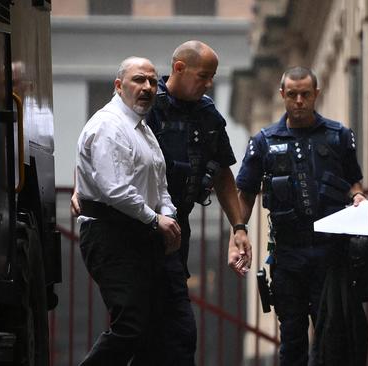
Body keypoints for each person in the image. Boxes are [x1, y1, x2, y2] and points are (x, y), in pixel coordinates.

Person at [71, 41, 252, 365]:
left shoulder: (202, 114)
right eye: (203, 75)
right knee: (136, 326)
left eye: (150, 82)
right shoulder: (137, 111)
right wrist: (79, 188)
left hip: (169, 229)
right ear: (179, 69)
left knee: (175, 330)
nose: (209, 82)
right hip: (127, 227)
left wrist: (237, 226)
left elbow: (215, 173)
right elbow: (99, 155)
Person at [236, 66, 368, 365]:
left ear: (315, 95)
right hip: (287, 255)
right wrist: (239, 230)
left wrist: (358, 196)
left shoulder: (338, 135)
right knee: (292, 337)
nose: (299, 101)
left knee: (330, 335)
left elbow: (353, 180)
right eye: (292, 94)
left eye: (305, 94)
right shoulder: (264, 141)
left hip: (330, 252)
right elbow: (244, 192)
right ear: (282, 94)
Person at [75, 57, 182, 365]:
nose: (147, 87)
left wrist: (168, 217)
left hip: (139, 235)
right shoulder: (109, 126)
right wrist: (156, 219)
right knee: (131, 327)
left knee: (151, 330)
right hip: (111, 235)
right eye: (139, 80)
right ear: (119, 86)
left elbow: (160, 184)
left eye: (151, 81)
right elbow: (115, 189)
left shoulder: (142, 129)